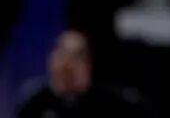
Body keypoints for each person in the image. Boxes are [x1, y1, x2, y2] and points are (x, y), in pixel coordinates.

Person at [16, 31, 146, 118]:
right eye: (62, 55)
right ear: (51, 62)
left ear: (87, 65)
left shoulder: (112, 102)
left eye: (76, 57)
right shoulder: (34, 102)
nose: (67, 65)